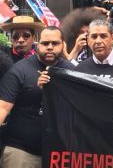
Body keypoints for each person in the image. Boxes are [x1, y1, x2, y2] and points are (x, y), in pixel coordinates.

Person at [0, 26, 74, 168]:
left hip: (60, 153)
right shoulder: (19, 70)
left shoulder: (72, 71)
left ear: (63, 45)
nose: (50, 47)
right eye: (45, 43)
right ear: (38, 44)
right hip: (22, 150)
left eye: (55, 43)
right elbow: (3, 108)